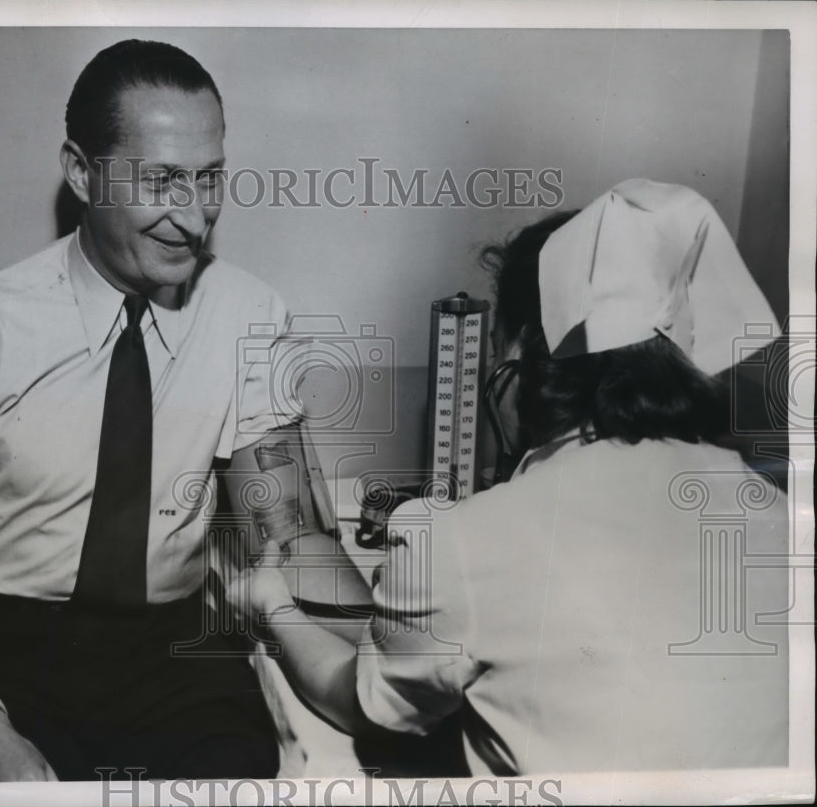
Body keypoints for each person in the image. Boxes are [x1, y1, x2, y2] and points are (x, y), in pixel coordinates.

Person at [0, 39, 368, 782]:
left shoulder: (246, 316)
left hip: (167, 650)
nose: (195, 217)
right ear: (81, 171)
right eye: (162, 180)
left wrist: (397, 650)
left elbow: (290, 537)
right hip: (3, 639)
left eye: (209, 179)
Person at [227, 178, 790, 773]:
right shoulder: (774, 505)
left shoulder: (462, 544)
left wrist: (273, 608)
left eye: (496, 358)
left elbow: (365, 704)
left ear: (522, 366)